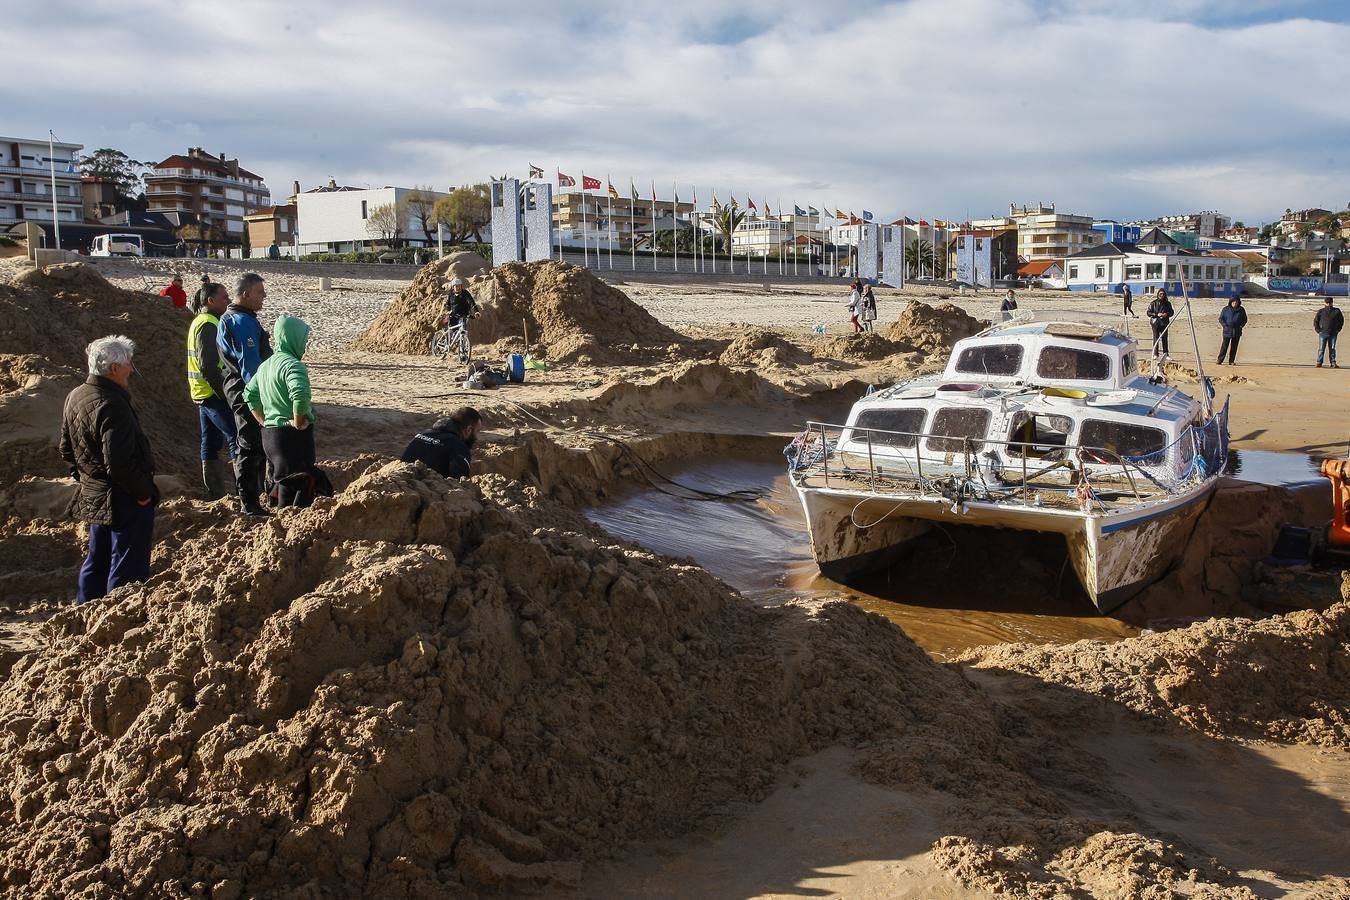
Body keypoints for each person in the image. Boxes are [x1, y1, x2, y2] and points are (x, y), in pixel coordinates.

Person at [59, 335, 157, 604]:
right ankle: (119, 621)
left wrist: (87, 479)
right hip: (122, 497)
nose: (131, 370)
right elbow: (118, 461)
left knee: (96, 560)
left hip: (95, 494)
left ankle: (84, 614)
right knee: (127, 566)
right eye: (128, 365)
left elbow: (66, 449)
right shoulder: (112, 403)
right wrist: (142, 494)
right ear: (114, 369)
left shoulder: (75, 395)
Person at [245, 314, 316, 508]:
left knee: (281, 482)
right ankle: (290, 530)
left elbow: (249, 394)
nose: (304, 345)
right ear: (292, 338)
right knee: (300, 483)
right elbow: (300, 395)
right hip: (292, 438)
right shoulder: (292, 365)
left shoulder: (266, 365)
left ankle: (279, 523)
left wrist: (264, 421)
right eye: (303, 340)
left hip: (270, 437)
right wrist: (298, 421)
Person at [217, 272, 273, 515]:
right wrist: (260, 398)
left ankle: (253, 498)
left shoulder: (230, 319)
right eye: (260, 293)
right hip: (246, 391)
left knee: (249, 444)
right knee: (250, 444)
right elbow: (250, 366)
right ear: (246, 294)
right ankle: (250, 503)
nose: (264, 297)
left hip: (235, 387)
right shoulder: (242, 322)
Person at [187, 282, 238, 499]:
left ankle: (215, 493)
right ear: (211, 301)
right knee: (236, 438)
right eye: (224, 297)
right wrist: (224, 393)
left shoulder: (201, 321)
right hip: (211, 394)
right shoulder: (209, 324)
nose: (228, 300)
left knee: (210, 443)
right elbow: (208, 365)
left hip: (202, 392)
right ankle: (245, 490)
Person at [400, 408, 482, 478]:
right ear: (469, 429)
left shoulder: (422, 434)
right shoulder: (459, 446)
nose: (477, 437)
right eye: (477, 431)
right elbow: (460, 481)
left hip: (400, 480)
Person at [1216, 296, 1248, 365]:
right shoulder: (1225, 309)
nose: (1235, 303)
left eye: (1236, 301)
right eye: (1233, 301)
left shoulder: (1241, 310)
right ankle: (1220, 360)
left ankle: (1231, 361)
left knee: (1234, 347)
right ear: (1230, 302)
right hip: (1227, 330)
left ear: (1238, 302)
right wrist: (1224, 325)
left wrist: (1241, 326)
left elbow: (1245, 319)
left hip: (1237, 331)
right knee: (1224, 346)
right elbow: (1221, 318)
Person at [1314, 296, 1343, 368]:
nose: (1328, 304)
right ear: (1325, 303)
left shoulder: (1337, 311)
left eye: (1330, 303)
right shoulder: (1321, 311)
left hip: (1333, 333)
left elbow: (1341, 321)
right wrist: (1318, 330)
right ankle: (1319, 362)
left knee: (1332, 348)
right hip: (1323, 333)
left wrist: (1338, 329)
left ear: (1332, 303)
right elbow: (1316, 321)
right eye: (1327, 303)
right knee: (1321, 349)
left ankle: (1333, 362)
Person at [1146, 288, 1174, 357]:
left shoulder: (1168, 303)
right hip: (1155, 323)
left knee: (1164, 338)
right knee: (1156, 338)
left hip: (1164, 323)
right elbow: (1148, 313)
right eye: (1160, 294)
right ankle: (1155, 354)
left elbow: (1172, 312)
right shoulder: (1153, 303)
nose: (1162, 295)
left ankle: (1166, 354)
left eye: (1163, 294)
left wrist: (1166, 314)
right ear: (1158, 294)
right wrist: (1156, 314)